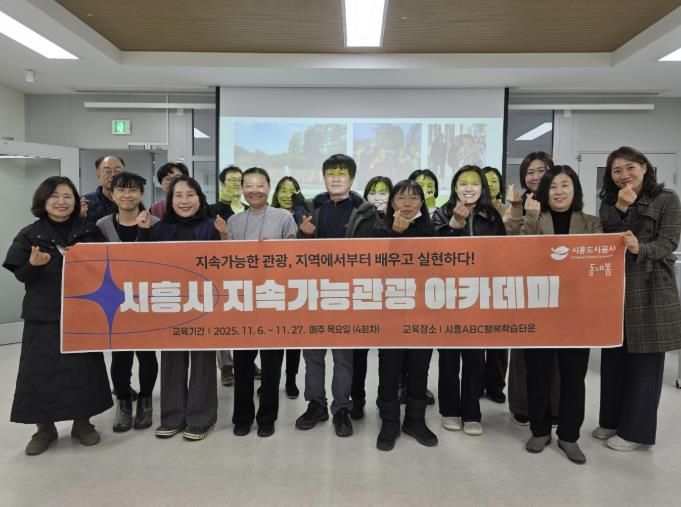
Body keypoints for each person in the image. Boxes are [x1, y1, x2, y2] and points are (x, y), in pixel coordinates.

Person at [3, 176, 113, 455]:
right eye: (54, 196)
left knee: (83, 369)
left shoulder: (89, 231)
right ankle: (44, 428)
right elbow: (21, 274)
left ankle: (82, 423)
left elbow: (108, 269)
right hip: (43, 314)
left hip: (84, 312)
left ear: (76, 201)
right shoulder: (30, 234)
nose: (61, 202)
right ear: (43, 201)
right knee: (40, 371)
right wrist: (33, 265)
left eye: (67, 196)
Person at [594, 146, 681, 451]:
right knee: (614, 359)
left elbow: (668, 243)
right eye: (616, 170)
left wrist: (639, 249)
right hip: (616, 288)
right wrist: (620, 208)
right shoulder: (609, 201)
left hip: (651, 289)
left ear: (645, 167)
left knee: (645, 365)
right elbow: (606, 237)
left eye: (630, 167)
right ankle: (610, 420)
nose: (624, 175)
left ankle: (634, 433)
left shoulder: (667, 199)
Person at [521, 165, 602, 464]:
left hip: (576, 313)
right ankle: (539, 430)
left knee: (573, 376)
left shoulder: (592, 223)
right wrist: (529, 218)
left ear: (575, 189)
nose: (558, 191)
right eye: (553, 186)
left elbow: (599, 262)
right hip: (538, 309)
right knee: (537, 374)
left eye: (565, 185)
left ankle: (569, 436)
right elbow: (517, 255)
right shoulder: (534, 219)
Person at [138, 175, 228, 441]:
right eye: (178, 195)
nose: (184, 200)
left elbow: (225, 265)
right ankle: (172, 417)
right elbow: (142, 264)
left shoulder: (211, 226)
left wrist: (223, 236)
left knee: (202, 362)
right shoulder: (159, 229)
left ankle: (201, 418)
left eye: (190, 195)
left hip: (203, 304)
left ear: (200, 198)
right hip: (170, 305)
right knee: (172, 361)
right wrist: (143, 232)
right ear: (169, 200)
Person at [432, 165, 506, 436]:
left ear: (482, 188)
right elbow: (431, 252)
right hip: (448, 298)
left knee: (475, 359)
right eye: (463, 183)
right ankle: (450, 410)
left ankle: (472, 412)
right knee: (449, 359)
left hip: (480, 297)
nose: (468, 188)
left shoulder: (492, 216)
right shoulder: (441, 213)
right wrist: (453, 225)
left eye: (474, 183)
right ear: (455, 187)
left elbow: (504, 253)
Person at [295, 154, 363, 437]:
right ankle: (316, 404)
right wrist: (304, 236)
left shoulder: (364, 211)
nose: (336, 177)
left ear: (352, 178)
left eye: (342, 173)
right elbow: (295, 256)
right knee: (313, 354)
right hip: (313, 292)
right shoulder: (311, 209)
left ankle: (342, 408)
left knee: (343, 356)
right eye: (331, 173)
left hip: (347, 294)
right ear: (323, 178)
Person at [229, 168, 298, 437]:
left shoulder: (283, 217)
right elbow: (228, 262)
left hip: (273, 299)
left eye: (260, 185)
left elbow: (295, 258)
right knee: (242, 364)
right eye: (249, 185)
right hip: (243, 301)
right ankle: (242, 417)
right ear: (242, 189)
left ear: (268, 187)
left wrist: (276, 250)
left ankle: (267, 417)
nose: (254, 190)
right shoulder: (234, 221)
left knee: (271, 365)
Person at [373, 179, 437, 450]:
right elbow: (374, 268)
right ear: (392, 202)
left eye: (413, 198)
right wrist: (395, 236)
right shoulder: (379, 230)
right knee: (389, 367)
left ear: (422, 202)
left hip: (423, 311)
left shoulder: (432, 231)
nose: (407, 203)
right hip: (390, 312)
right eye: (401, 197)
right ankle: (389, 421)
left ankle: (415, 419)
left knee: (419, 367)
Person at [97, 172, 159, 432]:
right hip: (115, 301)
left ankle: (145, 402)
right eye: (121, 190)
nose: (127, 195)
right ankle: (123, 403)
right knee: (120, 356)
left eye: (133, 190)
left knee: (147, 354)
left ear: (141, 194)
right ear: (112, 195)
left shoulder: (155, 223)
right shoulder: (102, 225)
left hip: (147, 300)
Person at [507, 151, 560, 426]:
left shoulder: (560, 202)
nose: (536, 176)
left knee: (556, 350)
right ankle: (522, 406)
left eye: (542, 170)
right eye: (530, 172)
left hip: (557, 288)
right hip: (525, 287)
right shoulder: (516, 204)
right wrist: (520, 210)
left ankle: (555, 407)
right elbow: (511, 242)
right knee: (523, 349)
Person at [345, 176, 393, 420]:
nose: (377, 197)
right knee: (358, 353)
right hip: (363, 292)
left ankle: (386, 400)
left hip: (393, 295)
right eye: (372, 192)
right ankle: (357, 399)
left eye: (383, 192)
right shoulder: (360, 216)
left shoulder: (401, 217)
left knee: (389, 354)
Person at [271, 175, 311, 400]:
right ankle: (272, 379)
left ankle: (291, 379)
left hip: (297, 285)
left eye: (292, 191)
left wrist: (300, 207)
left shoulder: (304, 215)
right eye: (283, 190)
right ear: (275, 193)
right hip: (272, 285)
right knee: (274, 337)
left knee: (294, 337)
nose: (287, 195)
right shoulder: (268, 215)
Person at [210, 166, 247, 387]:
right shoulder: (213, 210)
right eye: (231, 180)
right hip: (220, 271)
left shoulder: (249, 208)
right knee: (223, 319)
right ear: (222, 184)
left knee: (245, 316)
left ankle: (246, 361)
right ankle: (226, 364)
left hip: (246, 271)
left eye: (239, 180)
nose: (236, 184)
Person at [81, 155, 126, 224]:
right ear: (98, 175)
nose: (113, 175)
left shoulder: (130, 200)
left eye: (117, 171)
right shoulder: (85, 202)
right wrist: (79, 217)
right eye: (108, 171)